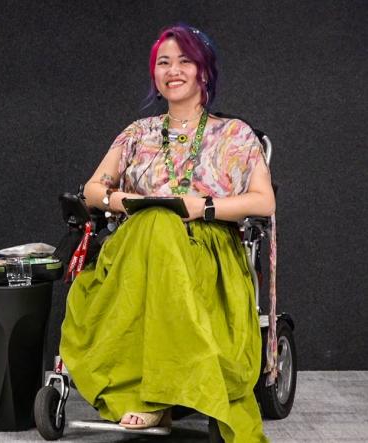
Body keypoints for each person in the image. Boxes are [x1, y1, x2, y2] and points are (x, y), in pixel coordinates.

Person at [59, 25, 274, 442]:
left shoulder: (234, 135)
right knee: (155, 223)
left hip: (206, 247)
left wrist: (204, 206)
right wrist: (126, 201)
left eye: (184, 61)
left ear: (204, 73)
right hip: (135, 246)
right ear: (155, 75)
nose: (173, 70)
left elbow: (264, 202)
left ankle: (152, 396)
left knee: (162, 226)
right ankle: (157, 390)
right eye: (163, 62)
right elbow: (92, 189)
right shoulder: (137, 133)